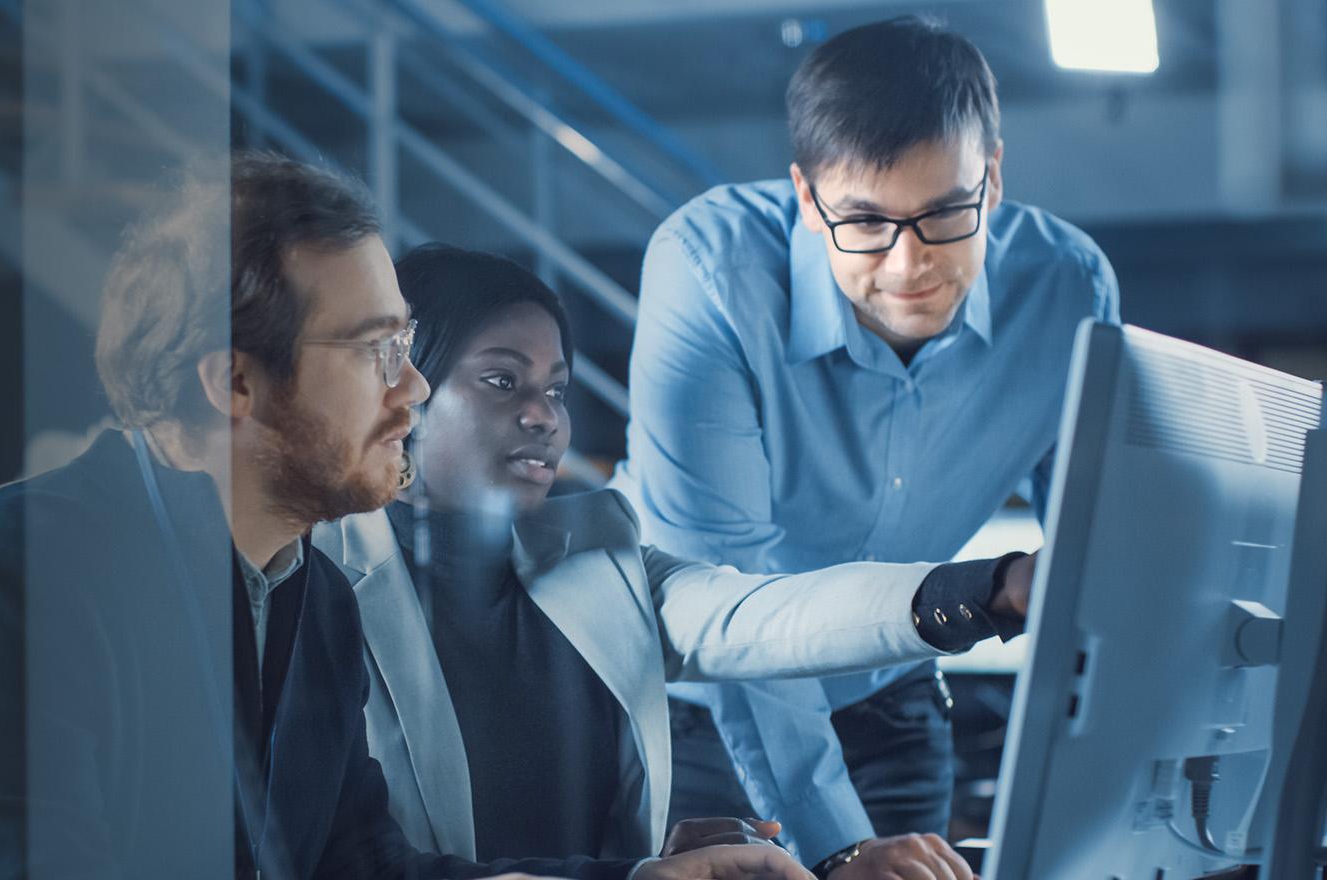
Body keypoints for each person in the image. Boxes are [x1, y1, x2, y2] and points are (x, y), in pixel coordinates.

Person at [0, 153, 814, 880]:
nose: (416, 388)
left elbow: (367, 870)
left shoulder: (313, 593)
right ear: (235, 383)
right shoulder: (17, 573)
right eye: (377, 351)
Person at [315, 244, 1026, 880]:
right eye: (503, 381)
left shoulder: (598, 545)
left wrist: (989, 590)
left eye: (556, 389)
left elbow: (760, 616)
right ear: (405, 389)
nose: (545, 416)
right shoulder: (313, 579)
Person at [605, 16, 1122, 877]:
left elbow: (1092, 557)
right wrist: (837, 847)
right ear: (808, 198)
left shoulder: (1068, 286)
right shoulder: (709, 271)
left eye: (944, 212)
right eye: (865, 222)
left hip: (893, 683)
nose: (907, 261)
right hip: (697, 704)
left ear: (991, 178)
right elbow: (729, 606)